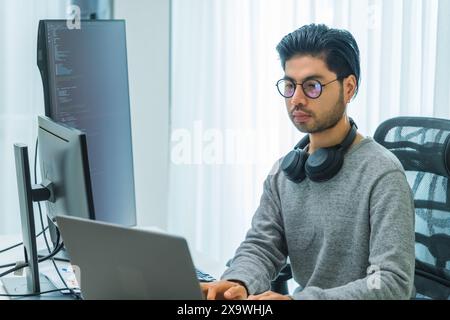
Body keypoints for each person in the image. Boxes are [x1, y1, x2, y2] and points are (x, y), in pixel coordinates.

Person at [201, 24, 415, 300]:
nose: (296, 99)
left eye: (312, 86)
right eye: (290, 86)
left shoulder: (382, 174)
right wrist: (236, 283)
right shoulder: (285, 172)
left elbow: (391, 283)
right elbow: (262, 246)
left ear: (348, 88)